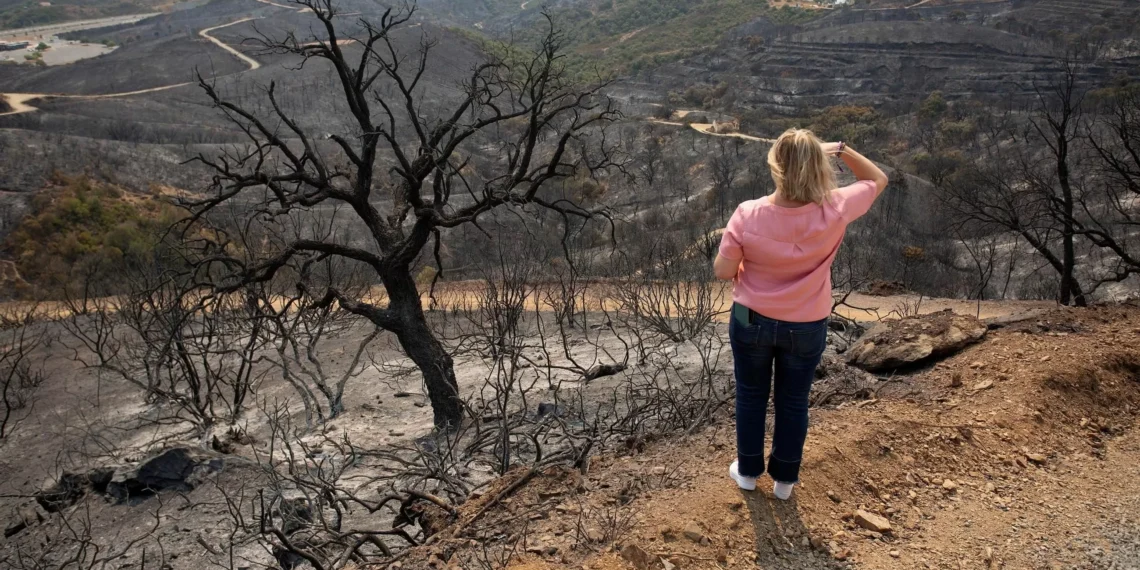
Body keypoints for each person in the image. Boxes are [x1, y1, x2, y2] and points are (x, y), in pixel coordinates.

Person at [713, 128, 888, 500]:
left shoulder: (748, 214)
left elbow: (723, 272)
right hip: (806, 323)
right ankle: (784, 482)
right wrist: (840, 148)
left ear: (775, 166)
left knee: (750, 394)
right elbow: (877, 179)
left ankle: (747, 472)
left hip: (750, 318)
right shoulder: (835, 208)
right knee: (794, 399)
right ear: (817, 167)